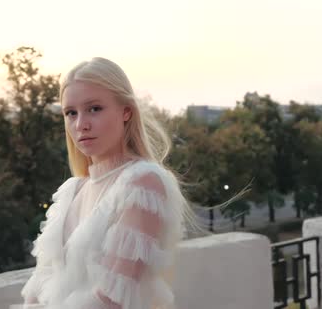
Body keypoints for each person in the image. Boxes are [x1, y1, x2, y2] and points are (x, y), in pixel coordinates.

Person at [20, 57, 201, 309]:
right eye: (71, 113)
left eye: (94, 108)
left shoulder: (144, 183)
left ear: (126, 111)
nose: (81, 124)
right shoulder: (72, 191)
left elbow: (112, 299)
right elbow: (41, 283)